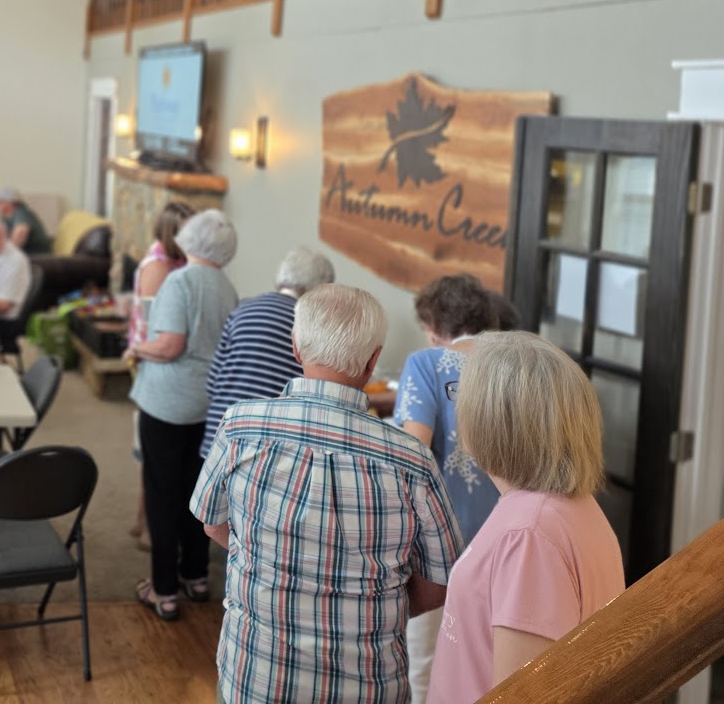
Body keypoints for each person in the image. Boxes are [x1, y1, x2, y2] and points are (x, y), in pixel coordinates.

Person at [190, 285, 463, 702]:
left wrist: (269, 561)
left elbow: (212, 523)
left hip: (254, 679)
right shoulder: (412, 460)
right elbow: (441, 580)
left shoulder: (239, 427)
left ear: (295, 347)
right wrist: (378, 608)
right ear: (373, 360)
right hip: (369, 688)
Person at [428, 331, 625, 702]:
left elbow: (522, 695)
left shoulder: (529, 534)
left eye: (462, 394)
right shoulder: (564, 508)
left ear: (491, 419)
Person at [397, 274, 505, 704]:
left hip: (440, 539)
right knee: (489, 661)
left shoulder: (426, 363)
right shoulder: (513, 364)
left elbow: (414, 451)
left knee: (425, 659)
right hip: (503, 536)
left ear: (436, 325)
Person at [125, 208, 238, 620]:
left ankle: (164, 589)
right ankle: (196, 575)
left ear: (189, 239)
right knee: (197, 489)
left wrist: (137, 348)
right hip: (207, 403)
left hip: (168, 403)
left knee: (161, 493)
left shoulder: (180, 281)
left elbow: (169, 345)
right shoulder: (227, 287)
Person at [203, 246, 336, 452]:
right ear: (319, 289)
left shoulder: (242, 309)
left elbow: (212, 382)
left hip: (219, 434)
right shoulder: (309, 325)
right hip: (263, 448)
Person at [127, 201, 193, 549]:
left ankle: (142, 520)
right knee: (152, 452)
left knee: (152, 451)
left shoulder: (178, 263)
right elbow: (158, 325)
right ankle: (149, 527)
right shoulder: (158, 267)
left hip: (160, 359)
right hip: (152, 360)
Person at [0, 186, 52, 254]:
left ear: (10, 202)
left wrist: (3, 254)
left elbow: (20, 235)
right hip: (26, 256)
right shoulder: (6, 217)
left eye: (0, 201)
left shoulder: (22, 213)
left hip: (39, 256)